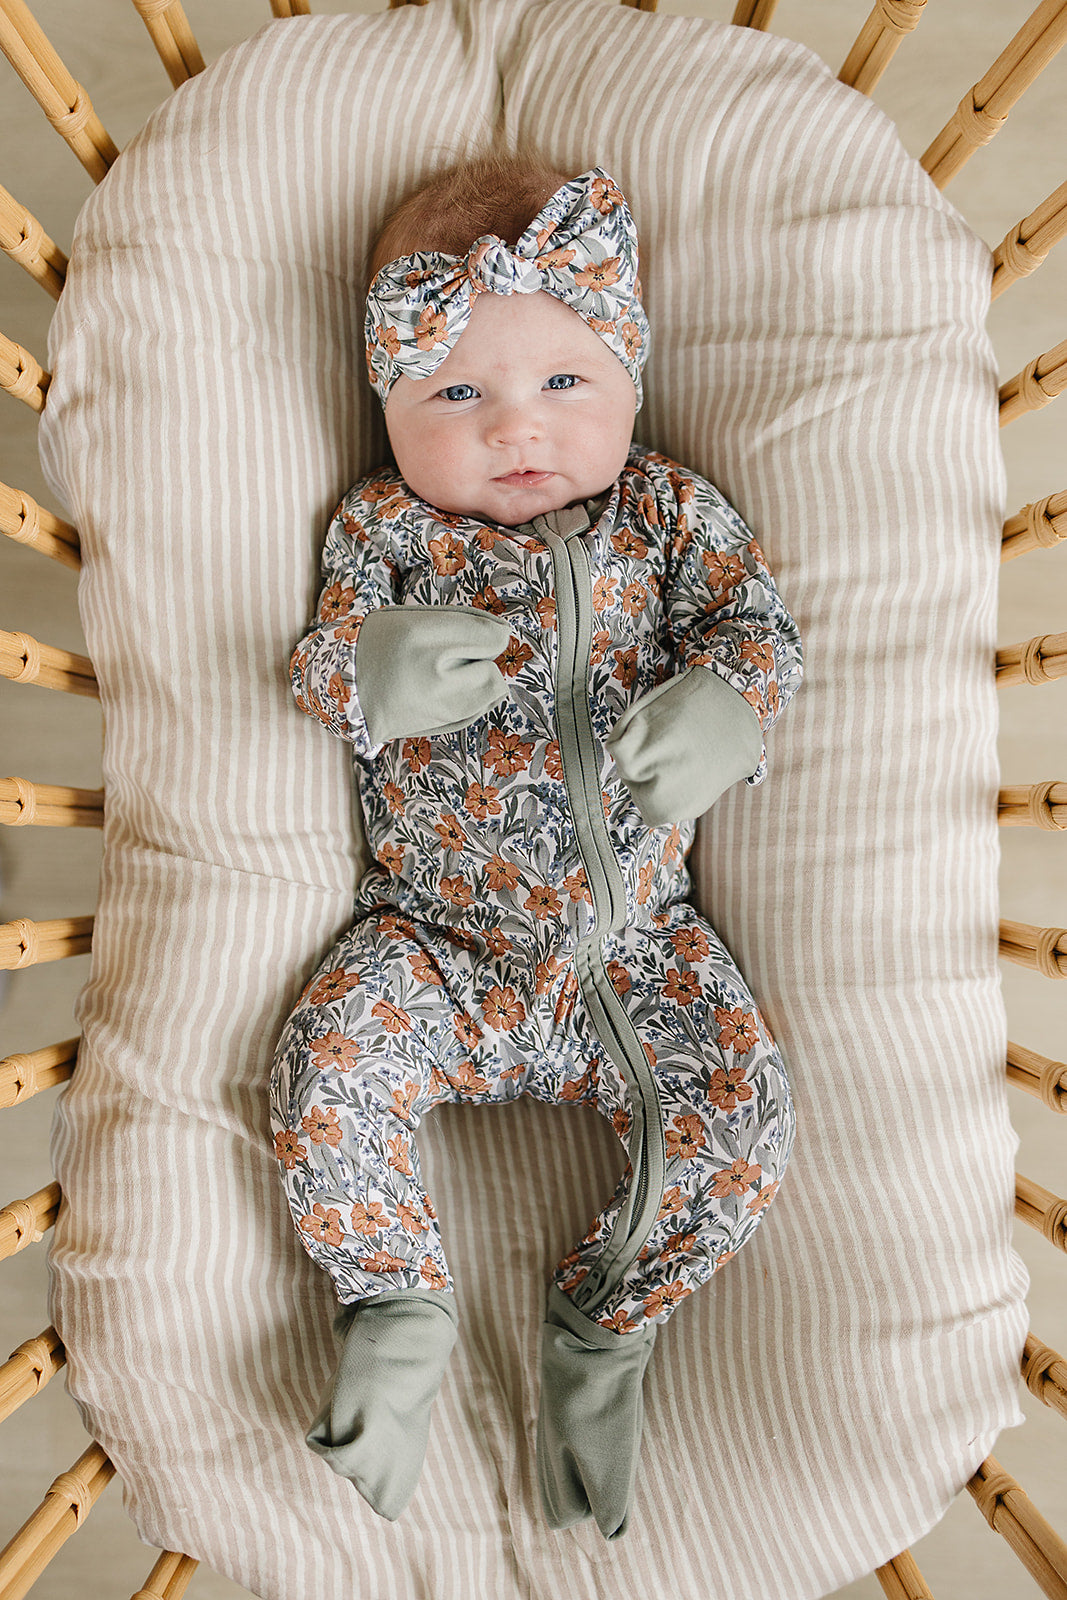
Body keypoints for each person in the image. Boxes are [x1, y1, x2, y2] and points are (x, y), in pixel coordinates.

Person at [270, 149, 803, 1541]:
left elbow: (759, 634)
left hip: (635, 953)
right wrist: (368, 671)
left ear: (631, 377)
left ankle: (607, 1320)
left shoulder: (670, 516)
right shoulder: (385, 528)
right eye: (458, 394)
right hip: (430, 945)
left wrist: (726, 710)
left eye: (564, 381)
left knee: (741, 1122)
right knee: (325, 1072)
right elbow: (319, 660)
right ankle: (394, 1299)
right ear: (390, 407)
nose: (518, 428)